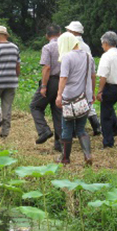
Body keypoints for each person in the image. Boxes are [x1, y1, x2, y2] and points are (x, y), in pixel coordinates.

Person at [55, 32, 94, 165]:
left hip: (70, 98)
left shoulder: (67, 57)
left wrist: (59, 95)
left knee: (67, 128)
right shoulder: (89, 56)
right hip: (84, 99)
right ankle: (87, 154)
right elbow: (93, 76)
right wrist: (92, 93)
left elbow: (63, 77)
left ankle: (65, 158)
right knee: (81, 129)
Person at [65, 21, 104, 137]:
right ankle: (96, 126)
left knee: (73, 102)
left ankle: (74, 131)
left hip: (74, 78)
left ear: (73, 32)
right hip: (86, 78)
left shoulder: (71, 45)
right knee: (87, 101)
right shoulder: (86, 46)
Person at [30, 24, 63, 152]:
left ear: (46, 36)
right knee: (57, 110)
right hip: (62, 81)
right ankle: (59, 143)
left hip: (51, 81)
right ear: (60, 34)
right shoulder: (65, 47)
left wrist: (43, 85)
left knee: (35, 106)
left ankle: (44, 130)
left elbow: (47, 67)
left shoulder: (47, 47)